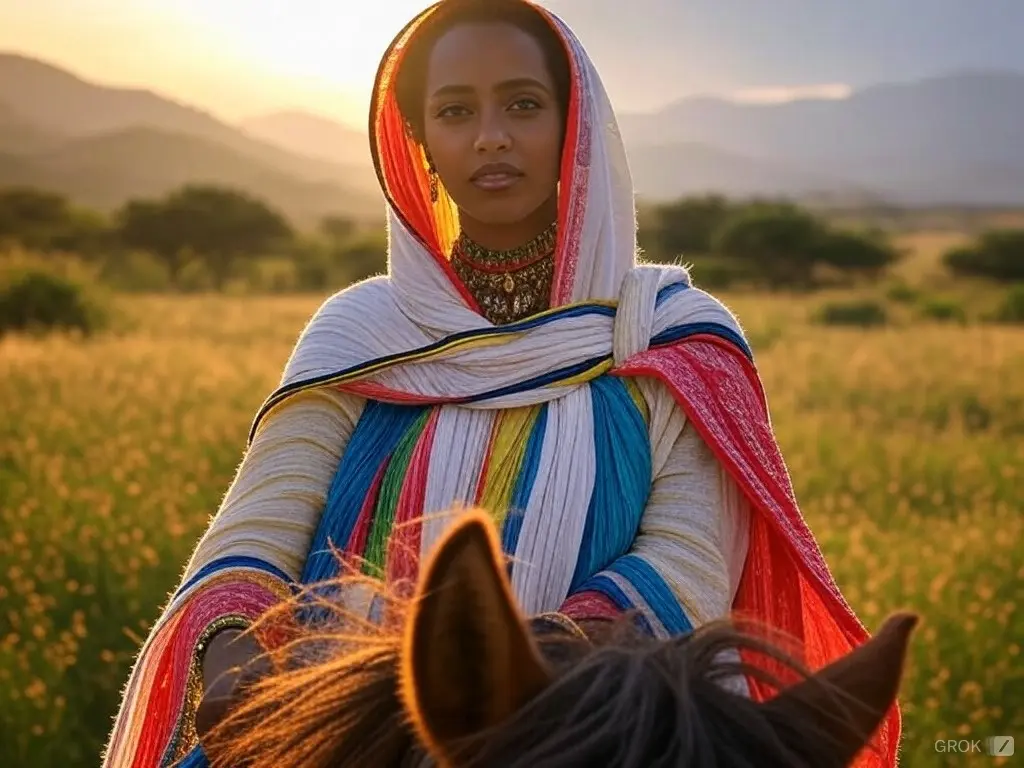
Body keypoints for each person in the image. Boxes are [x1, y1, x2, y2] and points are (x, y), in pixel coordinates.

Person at [102, 1, 900, 766]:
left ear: (574, 127)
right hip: (331, 726)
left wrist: (522, 684)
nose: (490, 138)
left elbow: (688, 563)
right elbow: (254, 533)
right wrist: (238, 654)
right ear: (418, 141)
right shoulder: (359, 335)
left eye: (522, 104)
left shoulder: (669, 334)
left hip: (607, 732)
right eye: (455, 112)